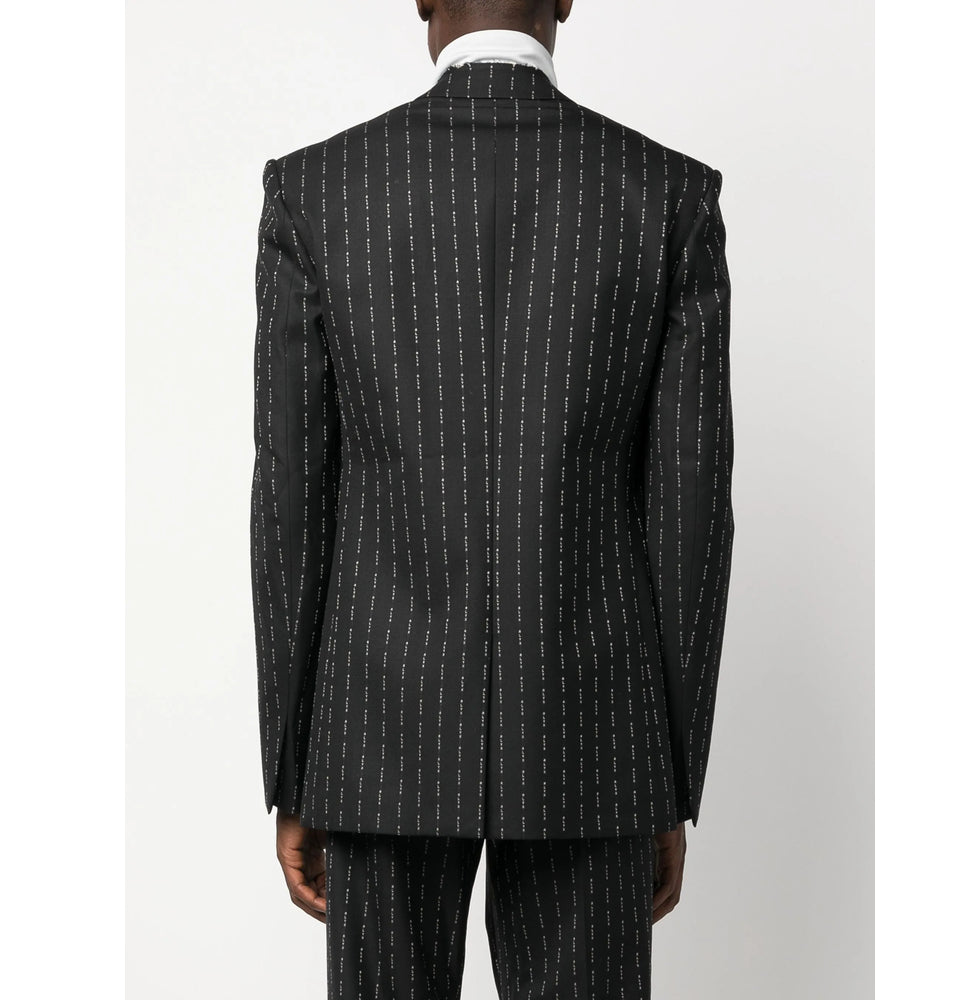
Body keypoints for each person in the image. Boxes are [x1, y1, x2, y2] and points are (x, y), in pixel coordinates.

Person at [249, 1, 735, 996]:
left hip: (377, 736)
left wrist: (295, 767)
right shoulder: (665, 194)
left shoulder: (319, 190)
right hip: (593, 739)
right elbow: (692, 510)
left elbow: (290, 499)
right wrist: (668, 776)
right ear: (565, 0)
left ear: (423, 0)